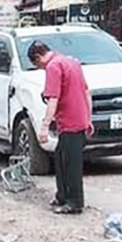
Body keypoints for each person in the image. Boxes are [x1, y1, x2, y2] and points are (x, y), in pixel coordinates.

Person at [29, 40, 93, 215]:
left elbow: (53, 99)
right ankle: (62, 195)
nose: (41, 69)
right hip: (79, 118)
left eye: (37, 65)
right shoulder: (71, 62)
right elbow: (87, 92)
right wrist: (89, 118)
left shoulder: (53, 67)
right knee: (60, 158)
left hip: (69, 121)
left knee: (70, 163)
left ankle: (74, 202)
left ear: (38, 57)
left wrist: (44, 126)